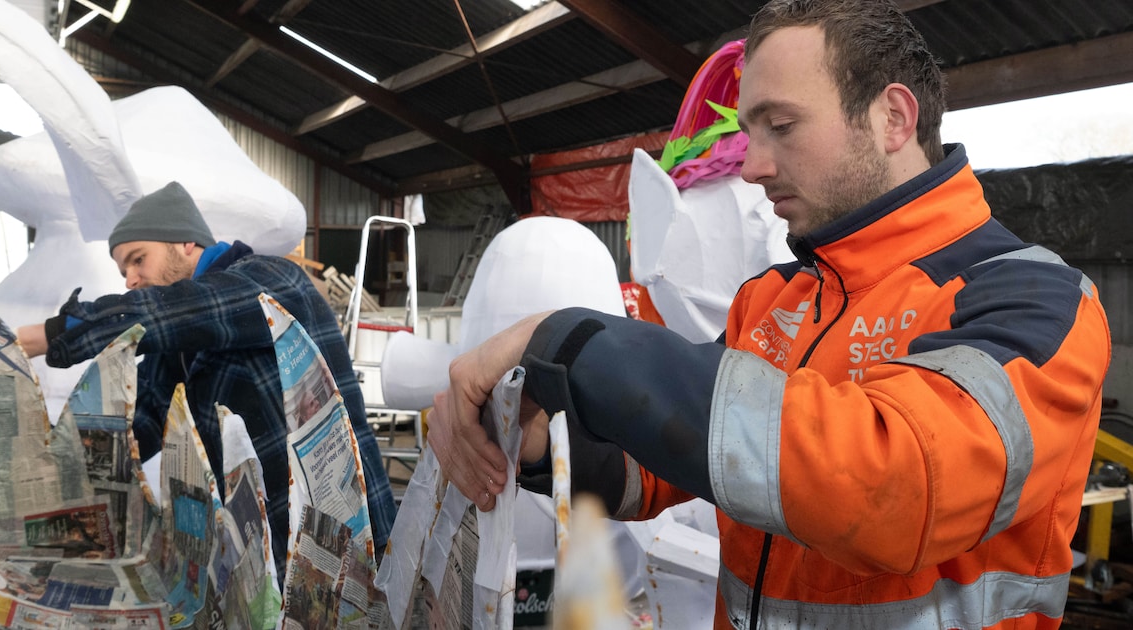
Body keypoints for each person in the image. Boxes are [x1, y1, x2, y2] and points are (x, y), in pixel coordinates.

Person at [427, 1, 1111, 628]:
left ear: (894, 119)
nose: (752, 165)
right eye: (749, 132)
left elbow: (895, 489)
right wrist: (544, 442)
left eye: (780, 127)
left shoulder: (1034, 303)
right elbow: (670, 464)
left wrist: (569, 343)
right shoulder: (776, 300)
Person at [0, 181, 394, 579]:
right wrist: (40, 468)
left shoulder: (271, 279)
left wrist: (45, 336)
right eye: (123, 271)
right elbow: (137, 428)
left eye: (138, 260)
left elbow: (186, 311)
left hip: (345, 543)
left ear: (187, 242)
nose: (130, 280)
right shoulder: (175, 348)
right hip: (265, 554)